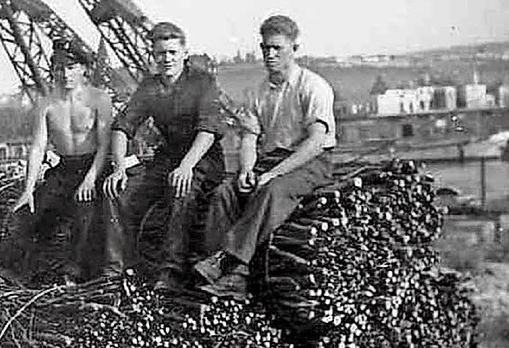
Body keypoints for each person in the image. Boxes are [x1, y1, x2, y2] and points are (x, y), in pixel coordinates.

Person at [194, 15, 336, 298]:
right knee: (225, 192)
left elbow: (316, 141)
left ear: (294, 48)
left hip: (309, 161)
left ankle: (232, 265)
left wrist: (275, 172)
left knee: (272, 190)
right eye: (265, 48)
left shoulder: (313, 86)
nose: (270, 55)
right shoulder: (259, 92)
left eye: (277, 48)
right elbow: (249, 137)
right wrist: (247, 168)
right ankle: (220, 270)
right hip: (271, 158)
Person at [102, 21, 226, 292]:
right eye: (160, 54)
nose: (166, 59)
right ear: (153, 56)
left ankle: (172, 272)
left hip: (202, 159)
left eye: (172, 52)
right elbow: (123, 126)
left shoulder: (202, 82)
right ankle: (117, 269)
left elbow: (208, 131)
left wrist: (186, 166)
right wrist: (119, 167)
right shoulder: (150, 87)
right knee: (117, 192)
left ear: (184, 53)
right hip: (166, 159)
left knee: (181, 191)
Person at [0, 46, 113, 283]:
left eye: (71, 67)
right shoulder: (46, 104)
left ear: (84, 69)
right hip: (63, 168)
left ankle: (73, 275)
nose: (65, 74)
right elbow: (38, 147)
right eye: (59, 68)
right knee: (35, 209)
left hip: (93, 166)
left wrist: (90, 179)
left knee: (85, 210)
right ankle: (14, 271)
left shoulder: (99, 99)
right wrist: (29, 189)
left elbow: (104, 145)